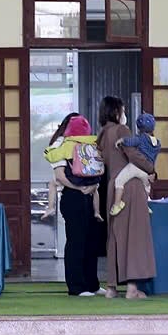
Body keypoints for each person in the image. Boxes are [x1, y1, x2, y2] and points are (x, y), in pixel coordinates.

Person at [98, 96, 157, 300]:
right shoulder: (122, 131)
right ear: (117, 112)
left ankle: (112, 287)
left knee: (115, 236)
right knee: (134, 236)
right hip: (131, 186)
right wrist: (151, 169)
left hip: (113, 186)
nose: (125, 114)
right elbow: (134, 156)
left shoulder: (103, 134)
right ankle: (132, 288)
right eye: (122, 110)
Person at [52, 114, 105, 296]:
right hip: (72, 196)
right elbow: (60, 176)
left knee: (91, 241)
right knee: (76, 241)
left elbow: (95, 168)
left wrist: (92, 186)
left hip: (89, 194)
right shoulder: (60, 145)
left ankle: (92, 283)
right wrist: (78, 187)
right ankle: (76, 286)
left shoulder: (87, 146)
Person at [43, 115, 103, 224]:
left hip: (74, 182)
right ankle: (97, 211)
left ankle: (50, 207)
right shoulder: (94, 143)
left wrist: (47, 152)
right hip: (92, 179)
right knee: (95, 191)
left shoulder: (67, 144)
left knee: (53, 183)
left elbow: (54, 156)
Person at [109, 113, 161, 218]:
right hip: (147, 171)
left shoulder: (141, 138)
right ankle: (146, 204)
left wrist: (121, 140)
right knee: (146, 186)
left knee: (119, 181)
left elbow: (130, 142)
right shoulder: (158, 143)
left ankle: (117, 204)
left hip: (135, 167)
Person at [41, 113, 80, 219]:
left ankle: (50, 207)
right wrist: (80, 188)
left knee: (52, 183)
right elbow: (60, 176)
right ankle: (50, 207)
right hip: (72, 192)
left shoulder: (68, 141)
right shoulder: (62, 142)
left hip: (73, 190)